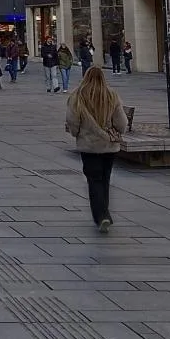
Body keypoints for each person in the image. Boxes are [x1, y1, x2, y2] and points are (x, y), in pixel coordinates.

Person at [65, 65, 127, 233]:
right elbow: (121, 123)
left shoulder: (78, 95)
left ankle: (101, 216)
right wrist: (117, 131)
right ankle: (104, 213)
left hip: (89, 146)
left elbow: (72, 121)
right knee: (105, 179)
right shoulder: (111, 95)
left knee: (94, 180)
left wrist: (75, 133)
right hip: (109, 146)